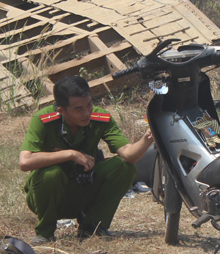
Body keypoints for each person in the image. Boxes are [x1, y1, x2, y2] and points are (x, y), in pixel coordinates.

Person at [19, 75, 153, 244]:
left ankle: (92, 228)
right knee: (50, 174)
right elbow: (25, 162)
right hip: (48, 197)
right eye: (78, 109)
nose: (87, 112)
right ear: (61, 110)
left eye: (89, 104)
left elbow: (128, 154)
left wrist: (147, 138)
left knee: (124, 167)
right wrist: (71, 154)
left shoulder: (100, 118)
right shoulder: (43, 120)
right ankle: (45, 232)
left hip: (83, 190)